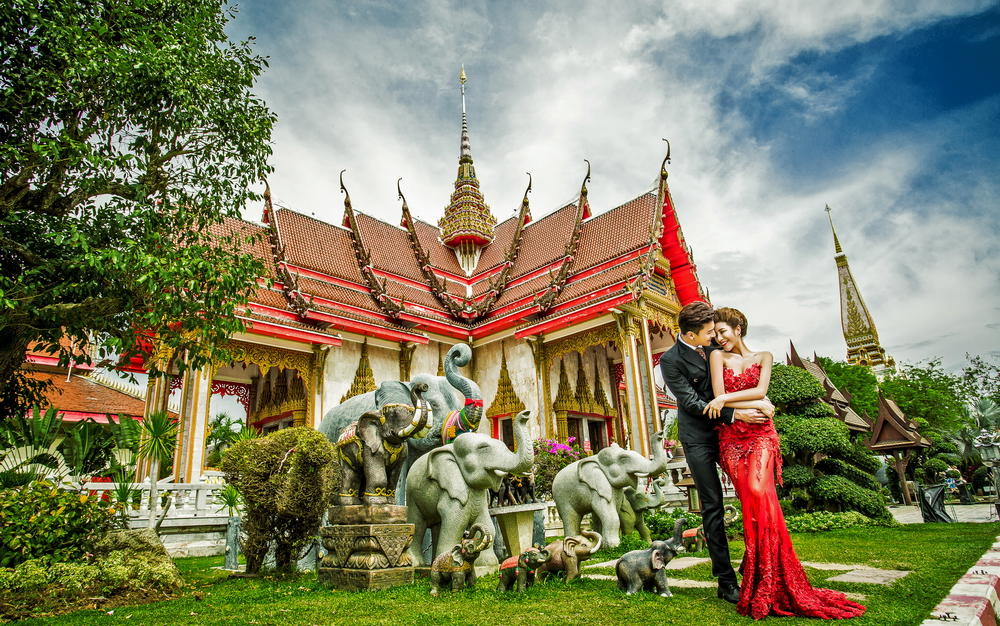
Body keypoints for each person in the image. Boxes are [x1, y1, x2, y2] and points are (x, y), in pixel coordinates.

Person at [705, 306, 866, 620]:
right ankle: (761, 577)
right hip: (732, 438)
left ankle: (771, 578)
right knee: (754, 501)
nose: (719, 338)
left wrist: (729, 400)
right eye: (715, 334)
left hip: (762, 436)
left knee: (761, 494)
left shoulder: (764, 356)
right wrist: (750, 402)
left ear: (738, 328)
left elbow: (760, 393)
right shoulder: (717, 358)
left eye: (723, 331)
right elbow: (726, 393)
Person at [659, 301, 773, 604]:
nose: (715, 336)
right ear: (692, 335)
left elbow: (743, 374)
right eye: (709, 332)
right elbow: (693, 403)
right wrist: (736, 415)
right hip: (698, 438)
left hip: (735, 434)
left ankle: (759, 566)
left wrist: (759, 404)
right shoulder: (670, 361)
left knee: (754, 496)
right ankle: (725, 579)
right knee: (712, 505)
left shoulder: (715, 349)